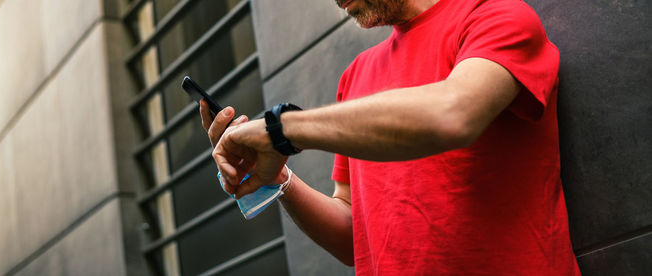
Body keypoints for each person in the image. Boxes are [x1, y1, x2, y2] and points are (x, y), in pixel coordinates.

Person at [201, 0, 580, 274]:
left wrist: (281, 130)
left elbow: (454, 114)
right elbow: (353, 239)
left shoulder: (495, 17)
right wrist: (279, 178)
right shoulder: (356, 75)